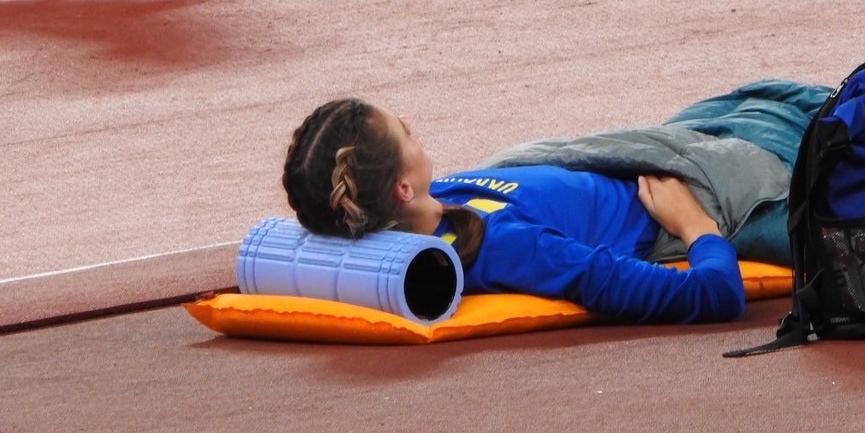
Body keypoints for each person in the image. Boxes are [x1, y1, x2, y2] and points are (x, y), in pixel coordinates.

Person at [282, 100, 748, 325]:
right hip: (681, 193)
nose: (407, 120)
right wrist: (696, 227)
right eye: (402, 133)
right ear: (402, 189)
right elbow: (716, 293)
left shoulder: (419, 205)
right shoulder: (509, 247)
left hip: (611, 157)